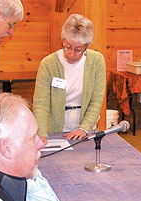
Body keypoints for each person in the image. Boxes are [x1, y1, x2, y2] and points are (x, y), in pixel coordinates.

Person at [33, 14, 106, 143]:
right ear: (63, 40)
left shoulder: (97, 61)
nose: (71, 54)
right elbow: (41, 102)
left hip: (85, 128)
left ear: (86, 47)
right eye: (67, 47)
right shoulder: (48, 64)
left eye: (78, 50)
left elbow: (96, 100)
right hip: (55, 128)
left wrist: (84, 128)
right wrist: (42, 133)